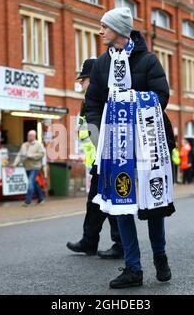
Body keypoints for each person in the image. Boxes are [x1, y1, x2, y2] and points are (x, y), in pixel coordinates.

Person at [85, 7, 176, 288]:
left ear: (119, 31)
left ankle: (160, 256)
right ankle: (134, 268)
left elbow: (161, 96)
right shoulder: (101, 64)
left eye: (104, 26)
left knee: (153, 204)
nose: (99, 31)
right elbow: (93, 104)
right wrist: (98, 136)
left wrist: (128, 101)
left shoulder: (148, 61)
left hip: (148, 144)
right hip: (116, 147)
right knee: (121, 205)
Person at [66, 59, 123, 260]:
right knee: (95, 203)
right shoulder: (87, 102)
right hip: (98, 163)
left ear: (92, 78)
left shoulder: (102, 99)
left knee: (111, 203)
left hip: (106, 160)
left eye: (83, 80)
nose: (80, 84)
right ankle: (89, 241)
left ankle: (120, 244)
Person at [13, 130, 45, 207]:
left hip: (35, 167)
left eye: (31, 135)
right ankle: (41, 198)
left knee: (30, 183)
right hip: (27, 167)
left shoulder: (38, 144)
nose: (29, 137)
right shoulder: (24, 145)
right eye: (28, 135)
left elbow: (41, 154)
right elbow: (19, 155)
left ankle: (27, 201)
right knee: (35, 183)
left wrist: (31, 156)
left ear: (34, 136)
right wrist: (15, 164)